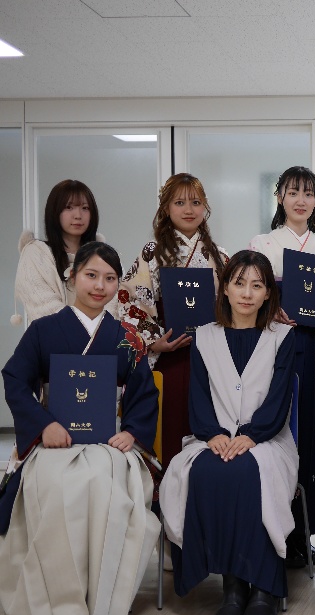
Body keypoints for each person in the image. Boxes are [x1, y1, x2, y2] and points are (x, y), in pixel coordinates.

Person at [0, 242, 159, 615]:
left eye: (109, 278)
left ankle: (104, 602)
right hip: (55, 441)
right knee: (54, 490)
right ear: (72, 278)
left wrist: (132, 431)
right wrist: (42, 425)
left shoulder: (125, 337)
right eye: (91, 275)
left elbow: (144, 392)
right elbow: (15, 379)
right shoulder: (43, 330)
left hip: (109, 442)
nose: (100, 286)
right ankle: (63, 604)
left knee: (111, 490)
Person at [159, 250, 297, 615]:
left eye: (257, 285)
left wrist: (251, 436)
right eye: (239, 283)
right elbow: (199, 399)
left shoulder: (282, 337)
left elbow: (278, 400)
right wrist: (215, 435)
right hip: (212, 437)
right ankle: (233, 587)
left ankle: (264, 588)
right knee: (206, 471)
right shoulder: (204, 336)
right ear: (224, 288)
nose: (247, 293)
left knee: (247, 472)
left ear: (268, 293)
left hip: (268, 439)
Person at [247, 166, 315, 570]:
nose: (301, 200)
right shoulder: (262, 244)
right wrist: (271, 307)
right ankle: (273, 530)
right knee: (277, 430)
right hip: (275, 343)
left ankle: (304, 533)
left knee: (311, 432)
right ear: (280, 197)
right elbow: (249, 293)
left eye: (308, 194)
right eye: (293, 192)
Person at [118, 173, 228, 475]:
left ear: (205, 207)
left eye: (196, 202)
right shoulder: (151, 253)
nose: (188, 209)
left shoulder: (219, 256)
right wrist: (154, 340)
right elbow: (130, 299)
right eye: (179, 202)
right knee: (168, 427)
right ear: (166, 208)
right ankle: (164, 494)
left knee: (210, 430)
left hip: (212, 357)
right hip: (169, 353)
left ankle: (203, 492)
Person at [13, 179, 113, 323]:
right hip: (53, 337)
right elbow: (44, 310)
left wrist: (104, 330)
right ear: (55, 212)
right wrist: (90, 328)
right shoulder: (36, 254)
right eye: (68, 207)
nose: (78, 215)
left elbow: (116, 305)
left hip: (103, 337)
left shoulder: (104, 256)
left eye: (85, 208)